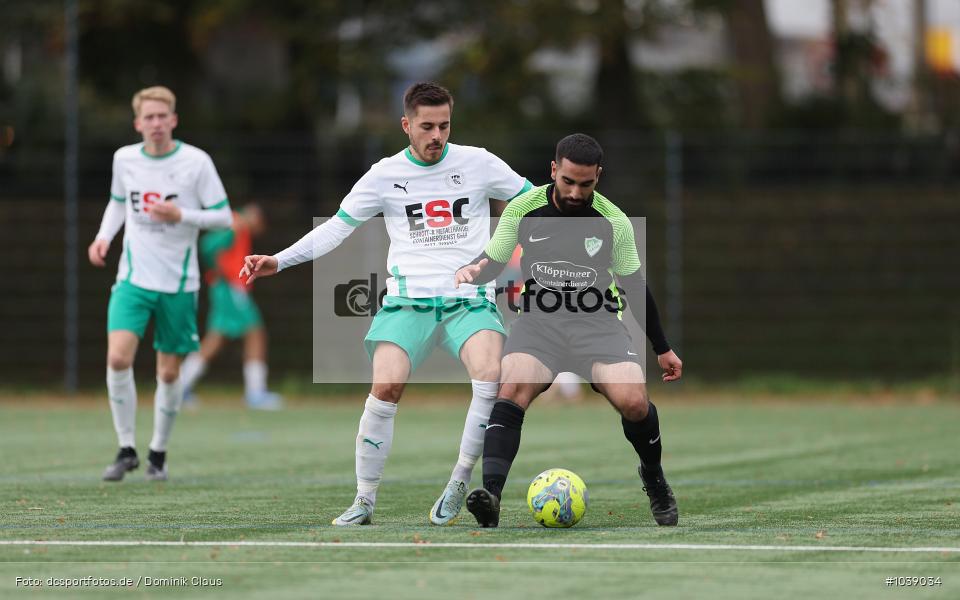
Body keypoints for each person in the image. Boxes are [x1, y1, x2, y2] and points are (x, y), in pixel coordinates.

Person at [240, 82, 533, 526]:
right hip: (407, 303)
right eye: (427, 126)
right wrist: (278, 261)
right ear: (406, 125)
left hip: (468, 300)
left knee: (489, 378)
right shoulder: (383, 175)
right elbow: (337, 228)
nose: (437, 135)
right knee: (386, 388)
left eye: (445, 126)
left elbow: (534, 199)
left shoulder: (478, 162)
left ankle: (459, 482)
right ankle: (364, 500)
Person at [454, 133, 683, 527]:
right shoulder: (523, 209)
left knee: (634, 402)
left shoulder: (614, 221)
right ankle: (490, 495)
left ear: (598, 176)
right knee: (510, 390)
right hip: (539, 325)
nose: (577, 192)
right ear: (554, 170)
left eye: (587, 184)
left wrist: (662, 347)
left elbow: (633, 285)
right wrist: (474, 269)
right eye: (569, 182)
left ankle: (655, 478)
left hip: (598, 326)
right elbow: (494, 259)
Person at [88, 86, 233, 481]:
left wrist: (181, 214)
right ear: (138, 123)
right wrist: (104, 237)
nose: (155, 124)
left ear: (173, 120)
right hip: (133, 278)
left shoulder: (195, 162)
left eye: (161, 116)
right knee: (118, 358)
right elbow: (118, 201)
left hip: (178, 283)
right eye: (148, 118)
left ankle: (157, 454)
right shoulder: (125, 159)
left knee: (168, 373)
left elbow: (223, 217)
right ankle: (126, 448)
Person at [179, 203, 283, 410]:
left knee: (217, 338)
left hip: (228, 288)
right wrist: (224, 270)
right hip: (229, 288)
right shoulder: (235, 223)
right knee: (255, 333)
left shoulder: (239, 226)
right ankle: (255, 393)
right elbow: (207, 246)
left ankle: (178, 388)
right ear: (255, 217)